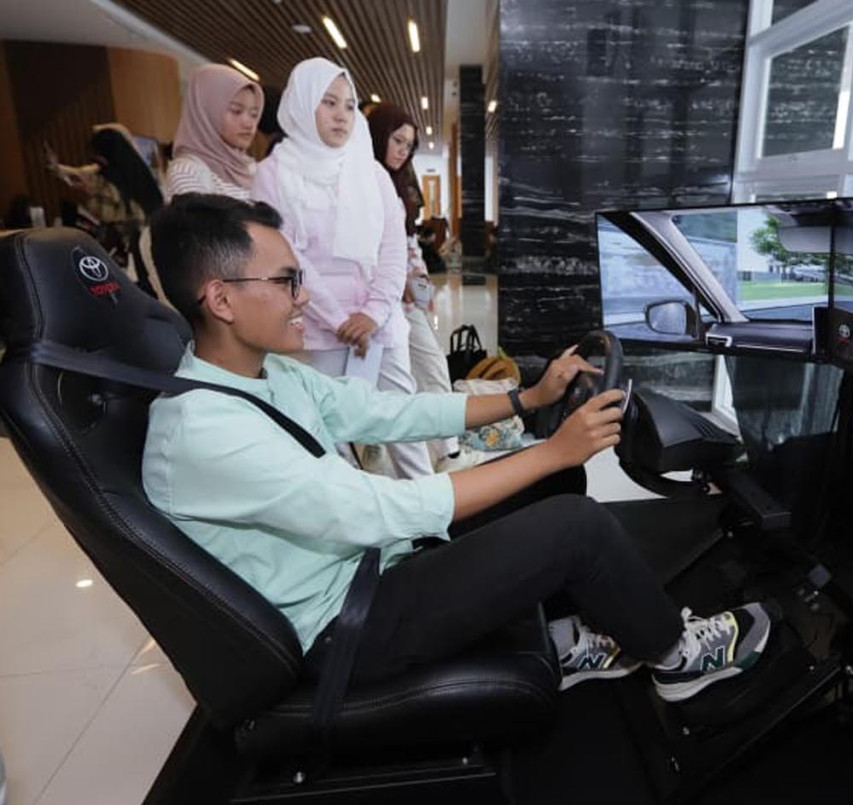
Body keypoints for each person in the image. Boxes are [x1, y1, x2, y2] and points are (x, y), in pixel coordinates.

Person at [144, 193, 770, 701]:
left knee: (549, 486)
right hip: (342, 629)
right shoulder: (204, 430)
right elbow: (378, 508)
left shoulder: (267, 373)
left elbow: (393, 411)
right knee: (576, 522)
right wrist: (551, 449)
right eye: (286, 281)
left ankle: (555, 638)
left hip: (370, 566)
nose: (303, 296)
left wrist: (527, 398)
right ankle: (677, 658)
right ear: (220, 298)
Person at [251, 57, 433, 480]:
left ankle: (432, 522)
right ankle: (362, 536)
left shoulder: (371, 172)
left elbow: (392, 249)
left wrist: (373, 312)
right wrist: (340, 319)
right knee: (332, 442)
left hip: (382, 323)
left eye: (350, 105)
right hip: (315, 330)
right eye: (328, 102)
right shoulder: (273, 174)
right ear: (301, 104)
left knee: (404, 425)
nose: (341, 115)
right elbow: (287, 256)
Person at [366, 102, 460, 468]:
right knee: (386, 386)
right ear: (378, 136)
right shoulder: (362, 180)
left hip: (403, 300)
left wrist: (419, 276)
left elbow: (405, 241)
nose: (403, 150)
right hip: (373, 302)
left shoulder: (398, 182)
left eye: (409, 144)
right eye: (397, 140)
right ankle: (410, 459)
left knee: (431, 366)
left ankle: (447, 451)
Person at [47, 124, 163, 296]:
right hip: (153, 259)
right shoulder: (142, 178)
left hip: (129, 265)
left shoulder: (107, 186)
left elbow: (82, 176)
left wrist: (58, 169)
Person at [167, 64, 264, 200]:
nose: (249, 123)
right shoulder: (187, 171)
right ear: (205, 112)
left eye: (254, 114)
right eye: (236, 111)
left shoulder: (252, 169)